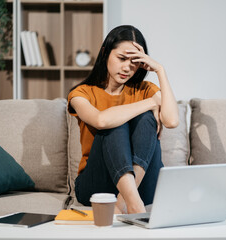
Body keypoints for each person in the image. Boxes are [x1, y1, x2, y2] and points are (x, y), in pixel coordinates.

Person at [67, 25, 179, 214]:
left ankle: (124, 202)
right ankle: (134, 205)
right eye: (122, 58)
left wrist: (160, 70)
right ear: (105, 53)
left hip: (143, 184)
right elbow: (101, 121)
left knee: (146, 120)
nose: (128, 67)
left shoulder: (144, 89)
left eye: (135, 61)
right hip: (97, 184)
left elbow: (171, 121)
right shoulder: (81, 93)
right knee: (113, 125)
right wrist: (150, 104)